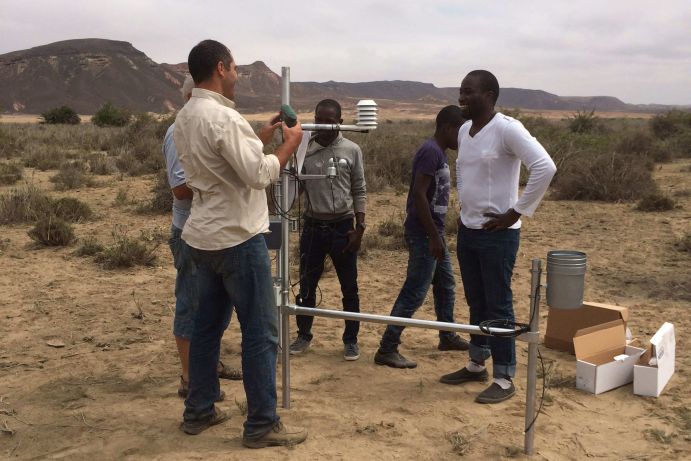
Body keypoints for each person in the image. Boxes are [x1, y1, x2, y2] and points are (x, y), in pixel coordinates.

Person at [173, 39, 307, 447]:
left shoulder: (184, 116)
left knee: (206, 329)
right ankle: (261, 424)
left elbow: (224, 166)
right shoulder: (224, 119)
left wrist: (259, 138)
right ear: (219, 68)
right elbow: (258, 175)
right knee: (261, 333)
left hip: (201, 238)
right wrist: (289, 144)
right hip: (237, 239)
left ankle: (198, 410)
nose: (236, 76)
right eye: (234, 69)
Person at [440, 70, 556, 404]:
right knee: (476, 299)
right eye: (460, 91)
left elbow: (544, 167)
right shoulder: (464, 130)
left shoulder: (507, 128)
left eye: (468, 92)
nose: (461, 98)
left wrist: (516, 212)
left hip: (498, 235)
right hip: (468, 229)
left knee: (498, 302)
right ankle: (477, 362)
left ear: (489, 95)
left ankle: (505, 376)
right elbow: (465, 170)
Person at [163, 75, 242, 402]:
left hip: (217, 231)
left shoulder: (213, 127)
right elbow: (181, 189)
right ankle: (189, 378)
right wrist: (224, 177)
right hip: (192, 232)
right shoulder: (177, 132)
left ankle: (208, 365)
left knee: (218, 306)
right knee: (192, 304)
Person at [374, 105, 470, 369]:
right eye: (461, 131)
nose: (464, 137)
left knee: (445, 285)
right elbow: (418, 194)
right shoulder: (431, 152)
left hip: (432, 231)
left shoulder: (439, 153)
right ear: (449, 128)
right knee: (415, 291)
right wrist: (433, 237)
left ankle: (447, 335)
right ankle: (387, 348)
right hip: (423, 233)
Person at [289, 99, 367, 361]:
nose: (322, 125)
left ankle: (351, 340)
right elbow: (293, 190)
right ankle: (303, 334)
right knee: (307, 285)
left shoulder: (352, 149)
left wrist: (360, 227)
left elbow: (359, 188)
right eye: (318, 119)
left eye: (329, 120)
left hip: (343, 227)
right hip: (313, 226)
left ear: (340, 122)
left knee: (349, 287)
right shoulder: (305, 152)